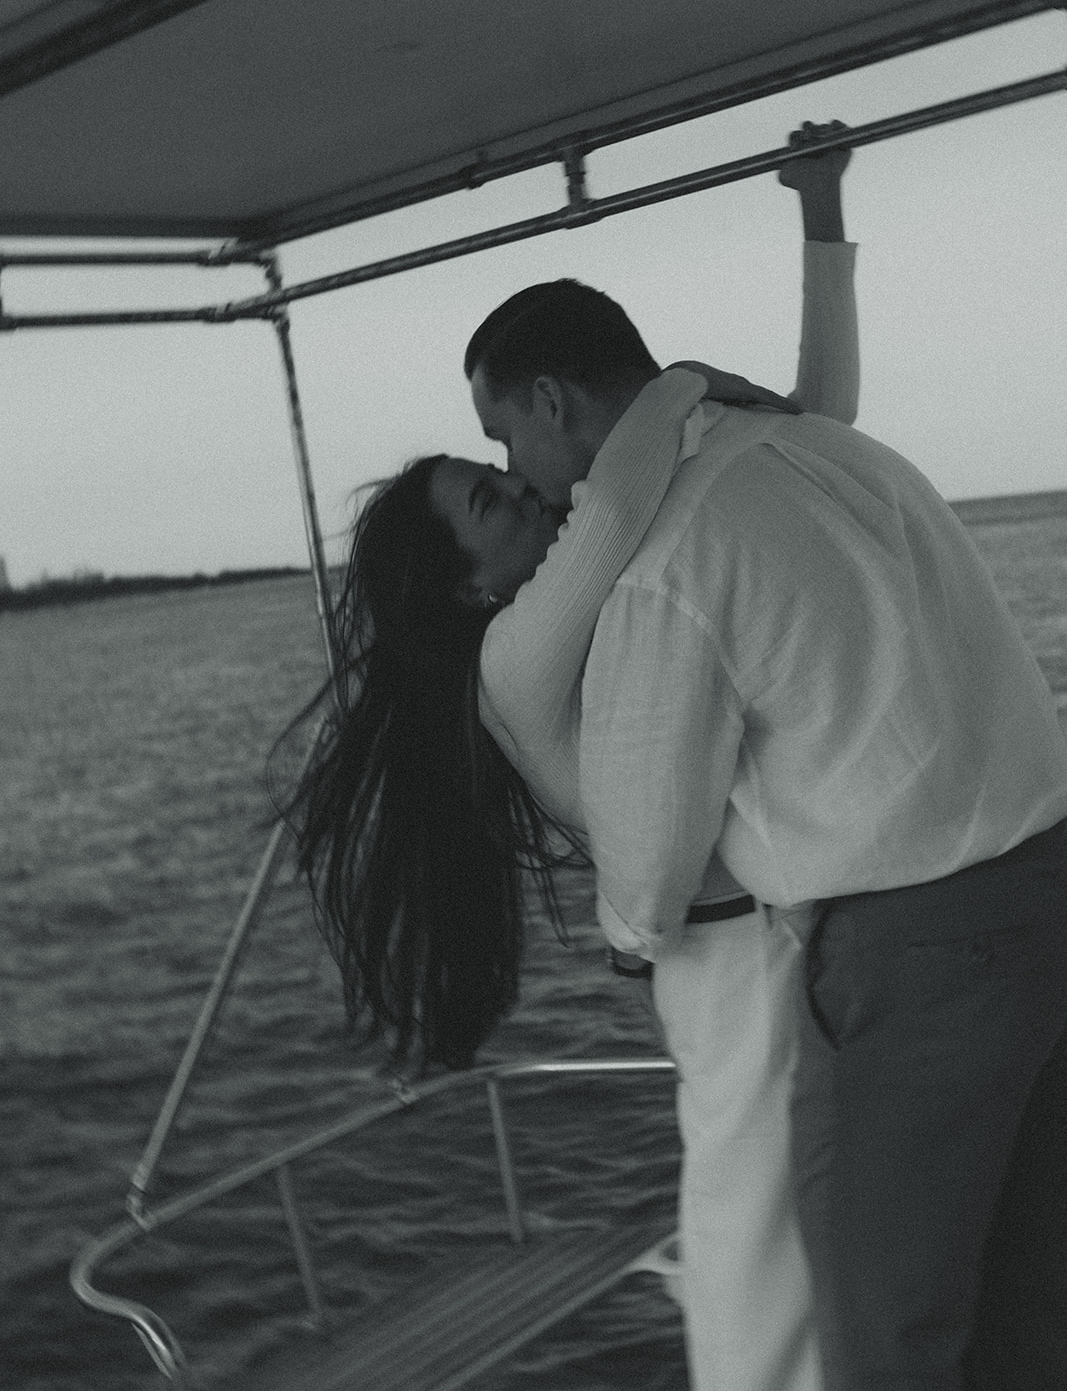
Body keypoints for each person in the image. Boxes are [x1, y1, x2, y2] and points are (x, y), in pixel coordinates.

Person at [465, 158, 1067, 1385]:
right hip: (1045, 891)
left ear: (548, 398)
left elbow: (646, 859)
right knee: (1024, 1297)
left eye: (503, 439)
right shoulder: (834, 452)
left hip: (910, 958)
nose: (521, 473)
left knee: (881, 1325)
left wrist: (631, 937)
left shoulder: (666, 565)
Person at [281, 122, 858, 1391]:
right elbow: (615, 485)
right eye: (492, 497)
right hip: (729, 956)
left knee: (801, 1246)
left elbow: (809, 431)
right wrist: (690, 374)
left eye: (503, 467)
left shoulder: (594, 599)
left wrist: (821, 231)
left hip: (784, 936)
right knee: (758, 1259)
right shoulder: (520, 652)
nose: (525, 491)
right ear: (466, 588)